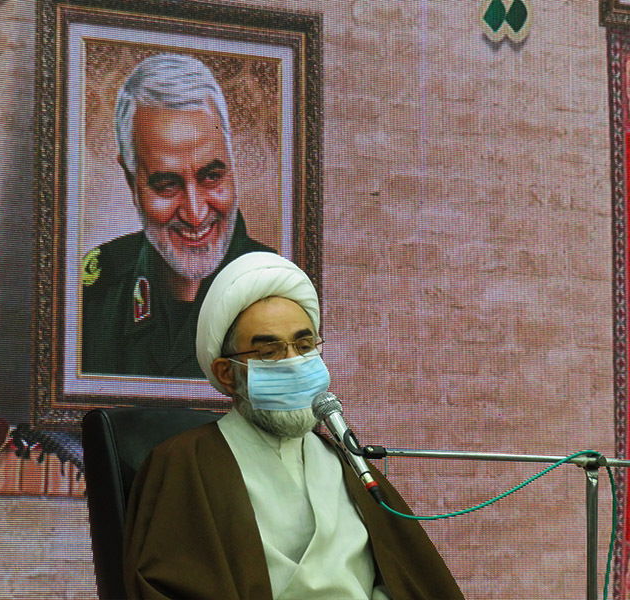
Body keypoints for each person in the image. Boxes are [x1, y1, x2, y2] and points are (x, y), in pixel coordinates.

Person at [123, 252, 464, 599]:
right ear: (227, 374)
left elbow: (408, 582)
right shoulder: (185, 463)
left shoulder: (346, 464)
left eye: (304, 346)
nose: (295, 364)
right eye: (269, 352)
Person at [81, 53, 274, 377]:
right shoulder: (96, 297)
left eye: (211, 177)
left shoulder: (279, 286)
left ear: (232, 164)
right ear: (130, 180)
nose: (195, 214)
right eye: (167, 185)